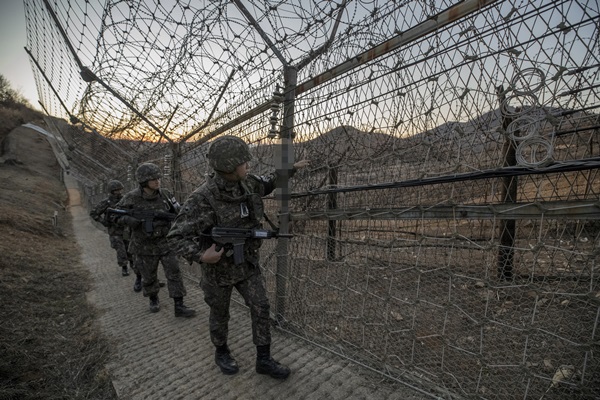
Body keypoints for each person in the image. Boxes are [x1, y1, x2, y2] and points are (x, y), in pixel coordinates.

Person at [167, 135, 309, 379]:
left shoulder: (248, 184)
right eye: (244, 162)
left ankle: (263, 359)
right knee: (220, 313)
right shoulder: (202, 198)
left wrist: (291, 170)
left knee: (261, 306)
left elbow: (269, 183)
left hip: (246, 265)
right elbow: (175, 237)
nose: (248, 166)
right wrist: (202, 255)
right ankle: (221, 352)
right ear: (229, 166)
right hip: (218, 271)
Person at [114, 162, 196, 318]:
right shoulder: (131, 198)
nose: (157, 181)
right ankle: (153, 299)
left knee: (174, 273)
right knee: (149, 275)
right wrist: (130, 221)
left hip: (166, 243)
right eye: (153, 179)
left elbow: (178, 211)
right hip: (143, 245)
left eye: (158, 178)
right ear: (144, 181)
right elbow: (114, 215)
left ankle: (179, 305)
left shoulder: (165, 194)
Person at [89, 179, 138, 283]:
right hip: (114, 230)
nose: (119, 192)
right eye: (116, 191)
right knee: (120, 249)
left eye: (120, 190)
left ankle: (133, 263)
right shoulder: (106, 202)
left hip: (126, 229)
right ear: (111, 191)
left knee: (129, 246)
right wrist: (104, 222)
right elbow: (94, 213)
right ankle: (124, 266)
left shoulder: (125, 200)